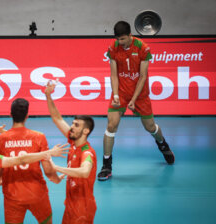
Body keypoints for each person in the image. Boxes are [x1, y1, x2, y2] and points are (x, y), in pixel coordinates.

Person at [97, 21, 175, 181]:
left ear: (130, 35)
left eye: (123, 39)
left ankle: (162, 144)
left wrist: (133, 100)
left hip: (140, 95)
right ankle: (106, 165)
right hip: (121, 93)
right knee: (111, 126)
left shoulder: (143, 48)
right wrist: (116, 95)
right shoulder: (113, 48)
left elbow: (143, 76)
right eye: (118, 39)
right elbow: (113, 74)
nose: (121, 42)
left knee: (150, 127)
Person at [0, 98, 62, 224]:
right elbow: (48, 171)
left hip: (12, 195)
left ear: (10, 115)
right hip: (37, 194)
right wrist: (56, 179)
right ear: (27, 116)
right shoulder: (39, 137)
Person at [45, 81, 97, 224]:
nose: (72, 127)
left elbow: (85, 171)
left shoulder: (88, 152)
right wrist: (48, 95)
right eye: (73, 124)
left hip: (82, 208)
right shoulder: (73, 143)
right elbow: (57, 118)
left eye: (76, 125)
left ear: (86, 131)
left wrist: (56, 168)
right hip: (71, 203)